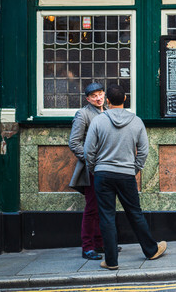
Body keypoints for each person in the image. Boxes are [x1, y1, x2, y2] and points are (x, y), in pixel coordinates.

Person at [84, 84, 166, 270]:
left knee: (106, 216)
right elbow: (144, 151)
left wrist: (95, 169)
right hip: (126, 174)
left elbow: (89, 151)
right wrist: (134, 169)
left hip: (102, 174)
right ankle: (151, 250)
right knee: (135, 213)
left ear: (108, 101)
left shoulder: (98, 121)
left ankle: (111, 261)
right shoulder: (136, 121)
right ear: (125, 99)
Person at [68, 82, 106, 261]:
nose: (98, 98)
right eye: (94, 96)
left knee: (101, 207)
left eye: (100, 94)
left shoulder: (106, 112)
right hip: (91, 169)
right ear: (87, 99)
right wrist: (91, 162)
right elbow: (74, 143)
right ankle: (87, 247)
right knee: (91, 208)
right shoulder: (82, 114)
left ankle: (99, 243)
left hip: (106, 167)